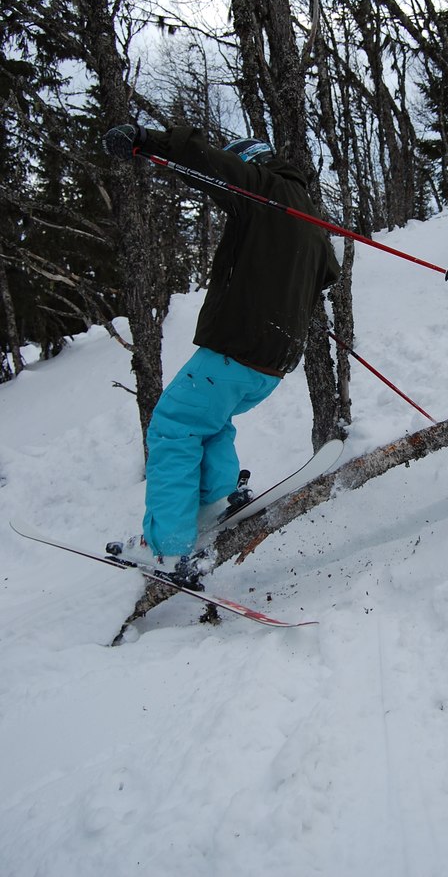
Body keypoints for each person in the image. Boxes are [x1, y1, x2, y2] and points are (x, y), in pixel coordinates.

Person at [101, 122, 340, 586]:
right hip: (272, 364)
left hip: (236, 345)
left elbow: (212, 164)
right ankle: (215, 502)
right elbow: (326, 273)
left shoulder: (264, 188)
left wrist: (148, 142)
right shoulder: (311, 218)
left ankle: (166, 549)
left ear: (251, 162)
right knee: (209, 422)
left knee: (173, 427)